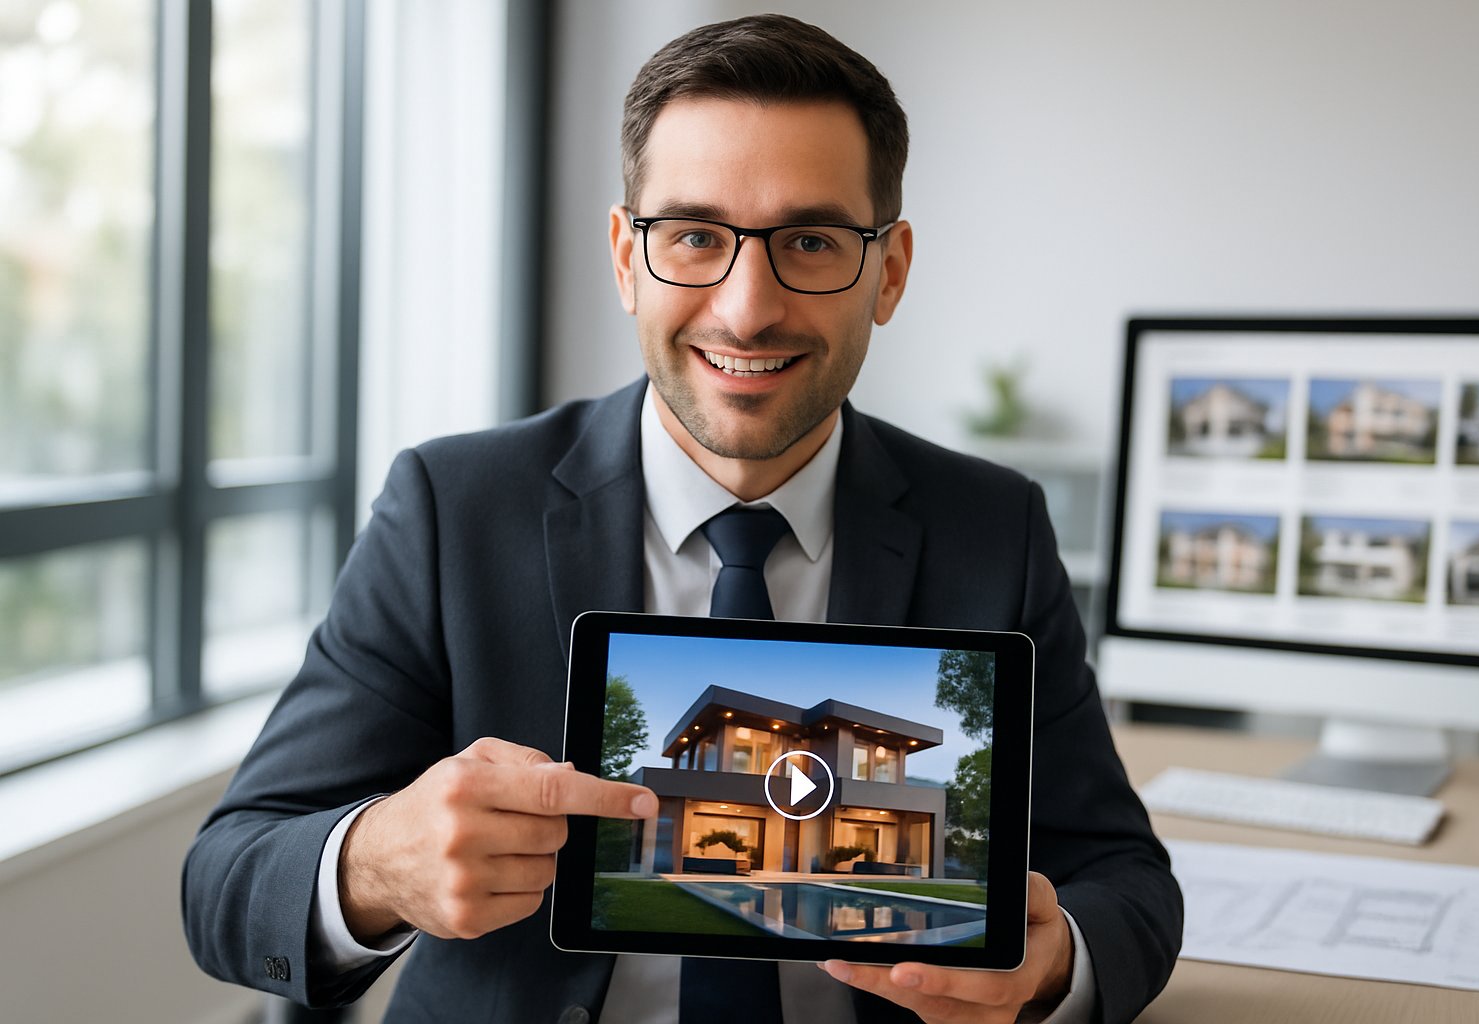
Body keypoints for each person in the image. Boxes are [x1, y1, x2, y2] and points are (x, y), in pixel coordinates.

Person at [183, 14, 1181, 1024]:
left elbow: (1123, 877)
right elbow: (227, 878)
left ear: (889, 271)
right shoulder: (453, 510)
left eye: (811, 241)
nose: (748, 308)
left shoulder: (993, 527)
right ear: (626, 257)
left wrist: (1054, 967)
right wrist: (374, 864)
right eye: (696, 236)